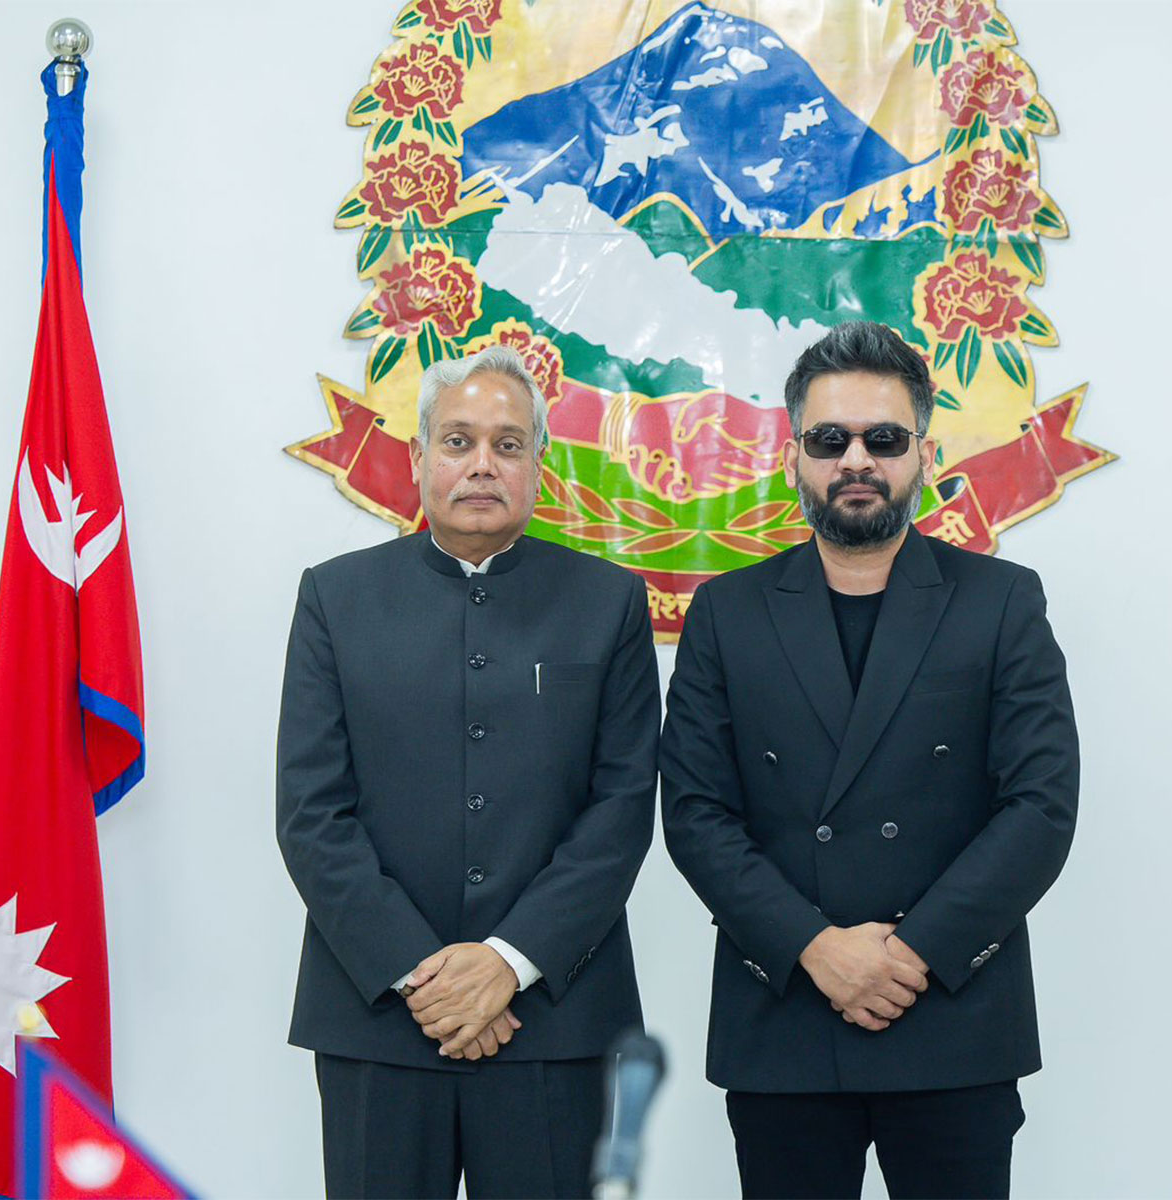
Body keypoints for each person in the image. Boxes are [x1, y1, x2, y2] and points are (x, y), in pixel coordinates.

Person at [660, 321, 1079, 1199]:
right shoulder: (727, 614)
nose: (858, 459)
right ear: (793, 458)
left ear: (923, 453)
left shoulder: (1001, 602)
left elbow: (1040, 805)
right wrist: (815, 947)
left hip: (952, 1016)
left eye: (883, 440)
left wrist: (911, 953)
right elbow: (696, 815)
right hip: (785, 1018)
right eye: (830, 439)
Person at [276, 346, 660, 1199]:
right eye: (457, 441)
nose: (482, 464)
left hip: (554, 1018)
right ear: (417, 461)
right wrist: (426, 974)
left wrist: (507, 963)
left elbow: (623, 809)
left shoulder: (609, 603)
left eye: (508, 444)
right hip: (377, 1015)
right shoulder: (335, 600)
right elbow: (312, 813)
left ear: (539, 466)